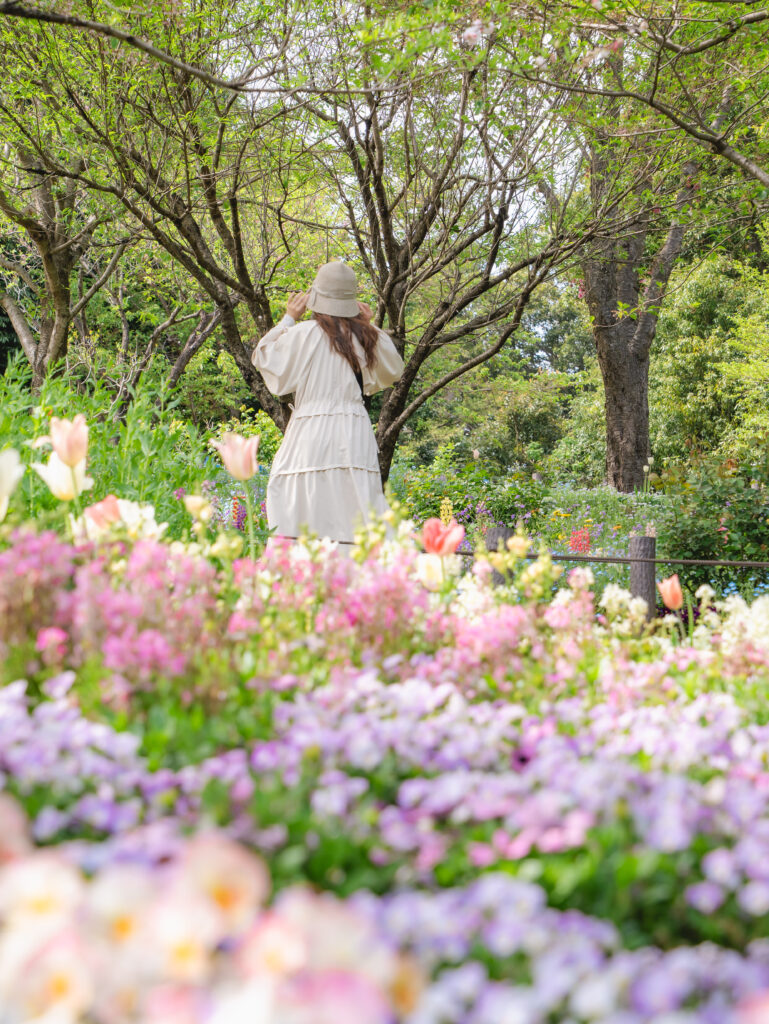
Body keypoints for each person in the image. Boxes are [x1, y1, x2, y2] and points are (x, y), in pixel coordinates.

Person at [252, 261, 404, 544]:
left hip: (310, 431)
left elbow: (264, 356)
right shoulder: (366, 337)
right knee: (358, 506)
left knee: (299, 503)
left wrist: (289, 318)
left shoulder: (303, 333)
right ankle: (360, 568)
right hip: (353, 431)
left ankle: (304, 567)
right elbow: (393, 368)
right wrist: (368, 324)